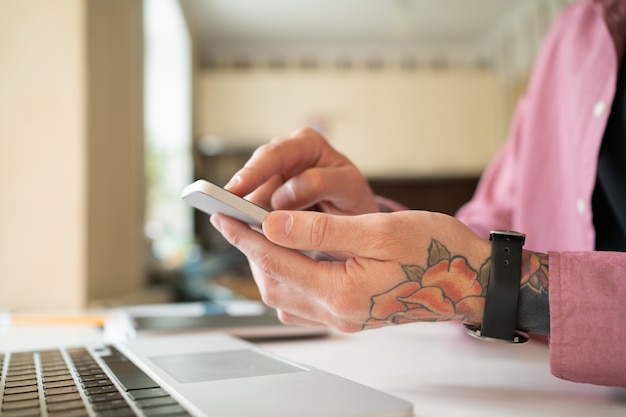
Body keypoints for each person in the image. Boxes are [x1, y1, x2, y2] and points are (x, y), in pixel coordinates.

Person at [209, 0, 626, 388]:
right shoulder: (572, 33)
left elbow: (480, 267)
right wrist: (366, 225)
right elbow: (490, 224)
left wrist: (476, 286)